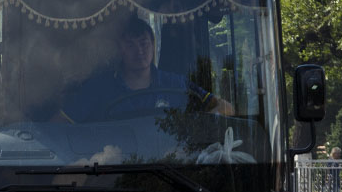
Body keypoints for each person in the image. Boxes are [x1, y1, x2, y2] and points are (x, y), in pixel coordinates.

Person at [61, 16, 234, 122]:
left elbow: (226, 107)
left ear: (153, 44)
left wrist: (202, 123)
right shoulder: (98, 88)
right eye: (130, 45)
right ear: (119, 51)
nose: (139, 51)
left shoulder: (176, 83)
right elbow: (60, 123)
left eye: (144, 43)